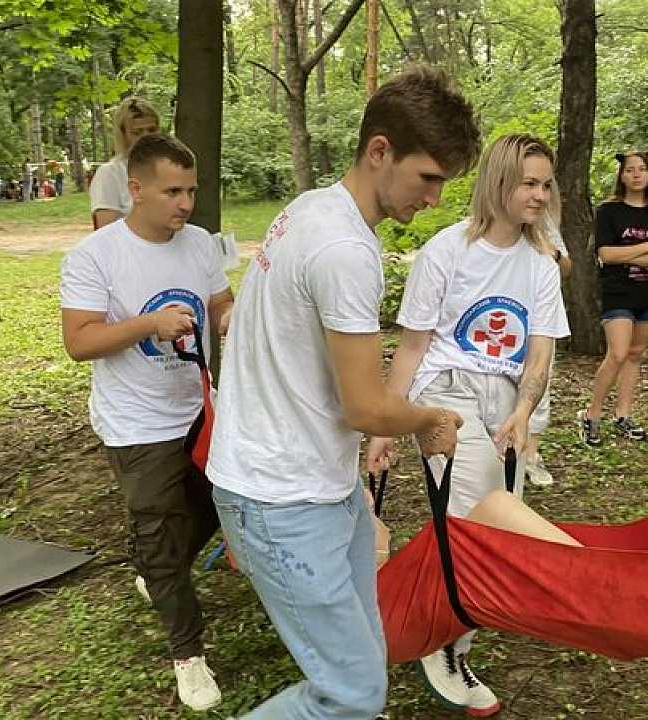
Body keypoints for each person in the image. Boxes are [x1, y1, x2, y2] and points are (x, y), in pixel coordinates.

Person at [205, 65, 480, 720]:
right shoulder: (344, 248)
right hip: (280, 499)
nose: (436, 199)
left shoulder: (309, 208)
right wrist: (428, 419)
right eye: (429, 177)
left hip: (315, 485)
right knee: (353, 694)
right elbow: (366, 407)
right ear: (379, 151)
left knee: (366, 653)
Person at [365, 133, 570, 717]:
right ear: (498, 182)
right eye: (529, 182)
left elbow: (540, 352)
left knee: (502, 522)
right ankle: (444, 644)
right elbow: (411, 347)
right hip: (445, 392)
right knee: (470, 514)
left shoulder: (540, 264)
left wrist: (524, 414)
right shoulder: (445, 251)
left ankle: (441, 615)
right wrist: (385, 421)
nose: (539, 194)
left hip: (505, 398)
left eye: (546, 183)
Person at [59, 133, 235, 712]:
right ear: (135, 190)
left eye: (191, 190)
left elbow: (220, 307)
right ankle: (189, 654)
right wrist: (146, 324)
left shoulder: (201, 245)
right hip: (136, 424)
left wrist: (246, 317)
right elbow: (79, 341)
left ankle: (161, 571)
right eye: (172, 192)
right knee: (158, 530)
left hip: (198, 409)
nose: (185, 204)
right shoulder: (96, 255)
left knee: (220, 504)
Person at [577, 151, 648, 446]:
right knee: (617, 353)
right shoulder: (609, 211)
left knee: (634, 354)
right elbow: (606, 255)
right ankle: (591, 415)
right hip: (618, 292)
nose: (636, 174)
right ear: (621, 175)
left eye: (641, 169)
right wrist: (646, 246)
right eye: (630, 169)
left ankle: (623, 415)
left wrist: (629, 253)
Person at [525, 219, 572, 487]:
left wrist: (550, 250)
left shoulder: (544, 225)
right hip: (504, 318)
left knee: (540, 377)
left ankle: (531, 454)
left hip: (542, 317)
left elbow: (566, 266)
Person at [90, 96, 161, 229]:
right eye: (137, 132)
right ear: (123, 135)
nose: (146, 137)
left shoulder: (168, 168)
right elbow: (106, 232)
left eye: (151, 130)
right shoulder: (110, 174)